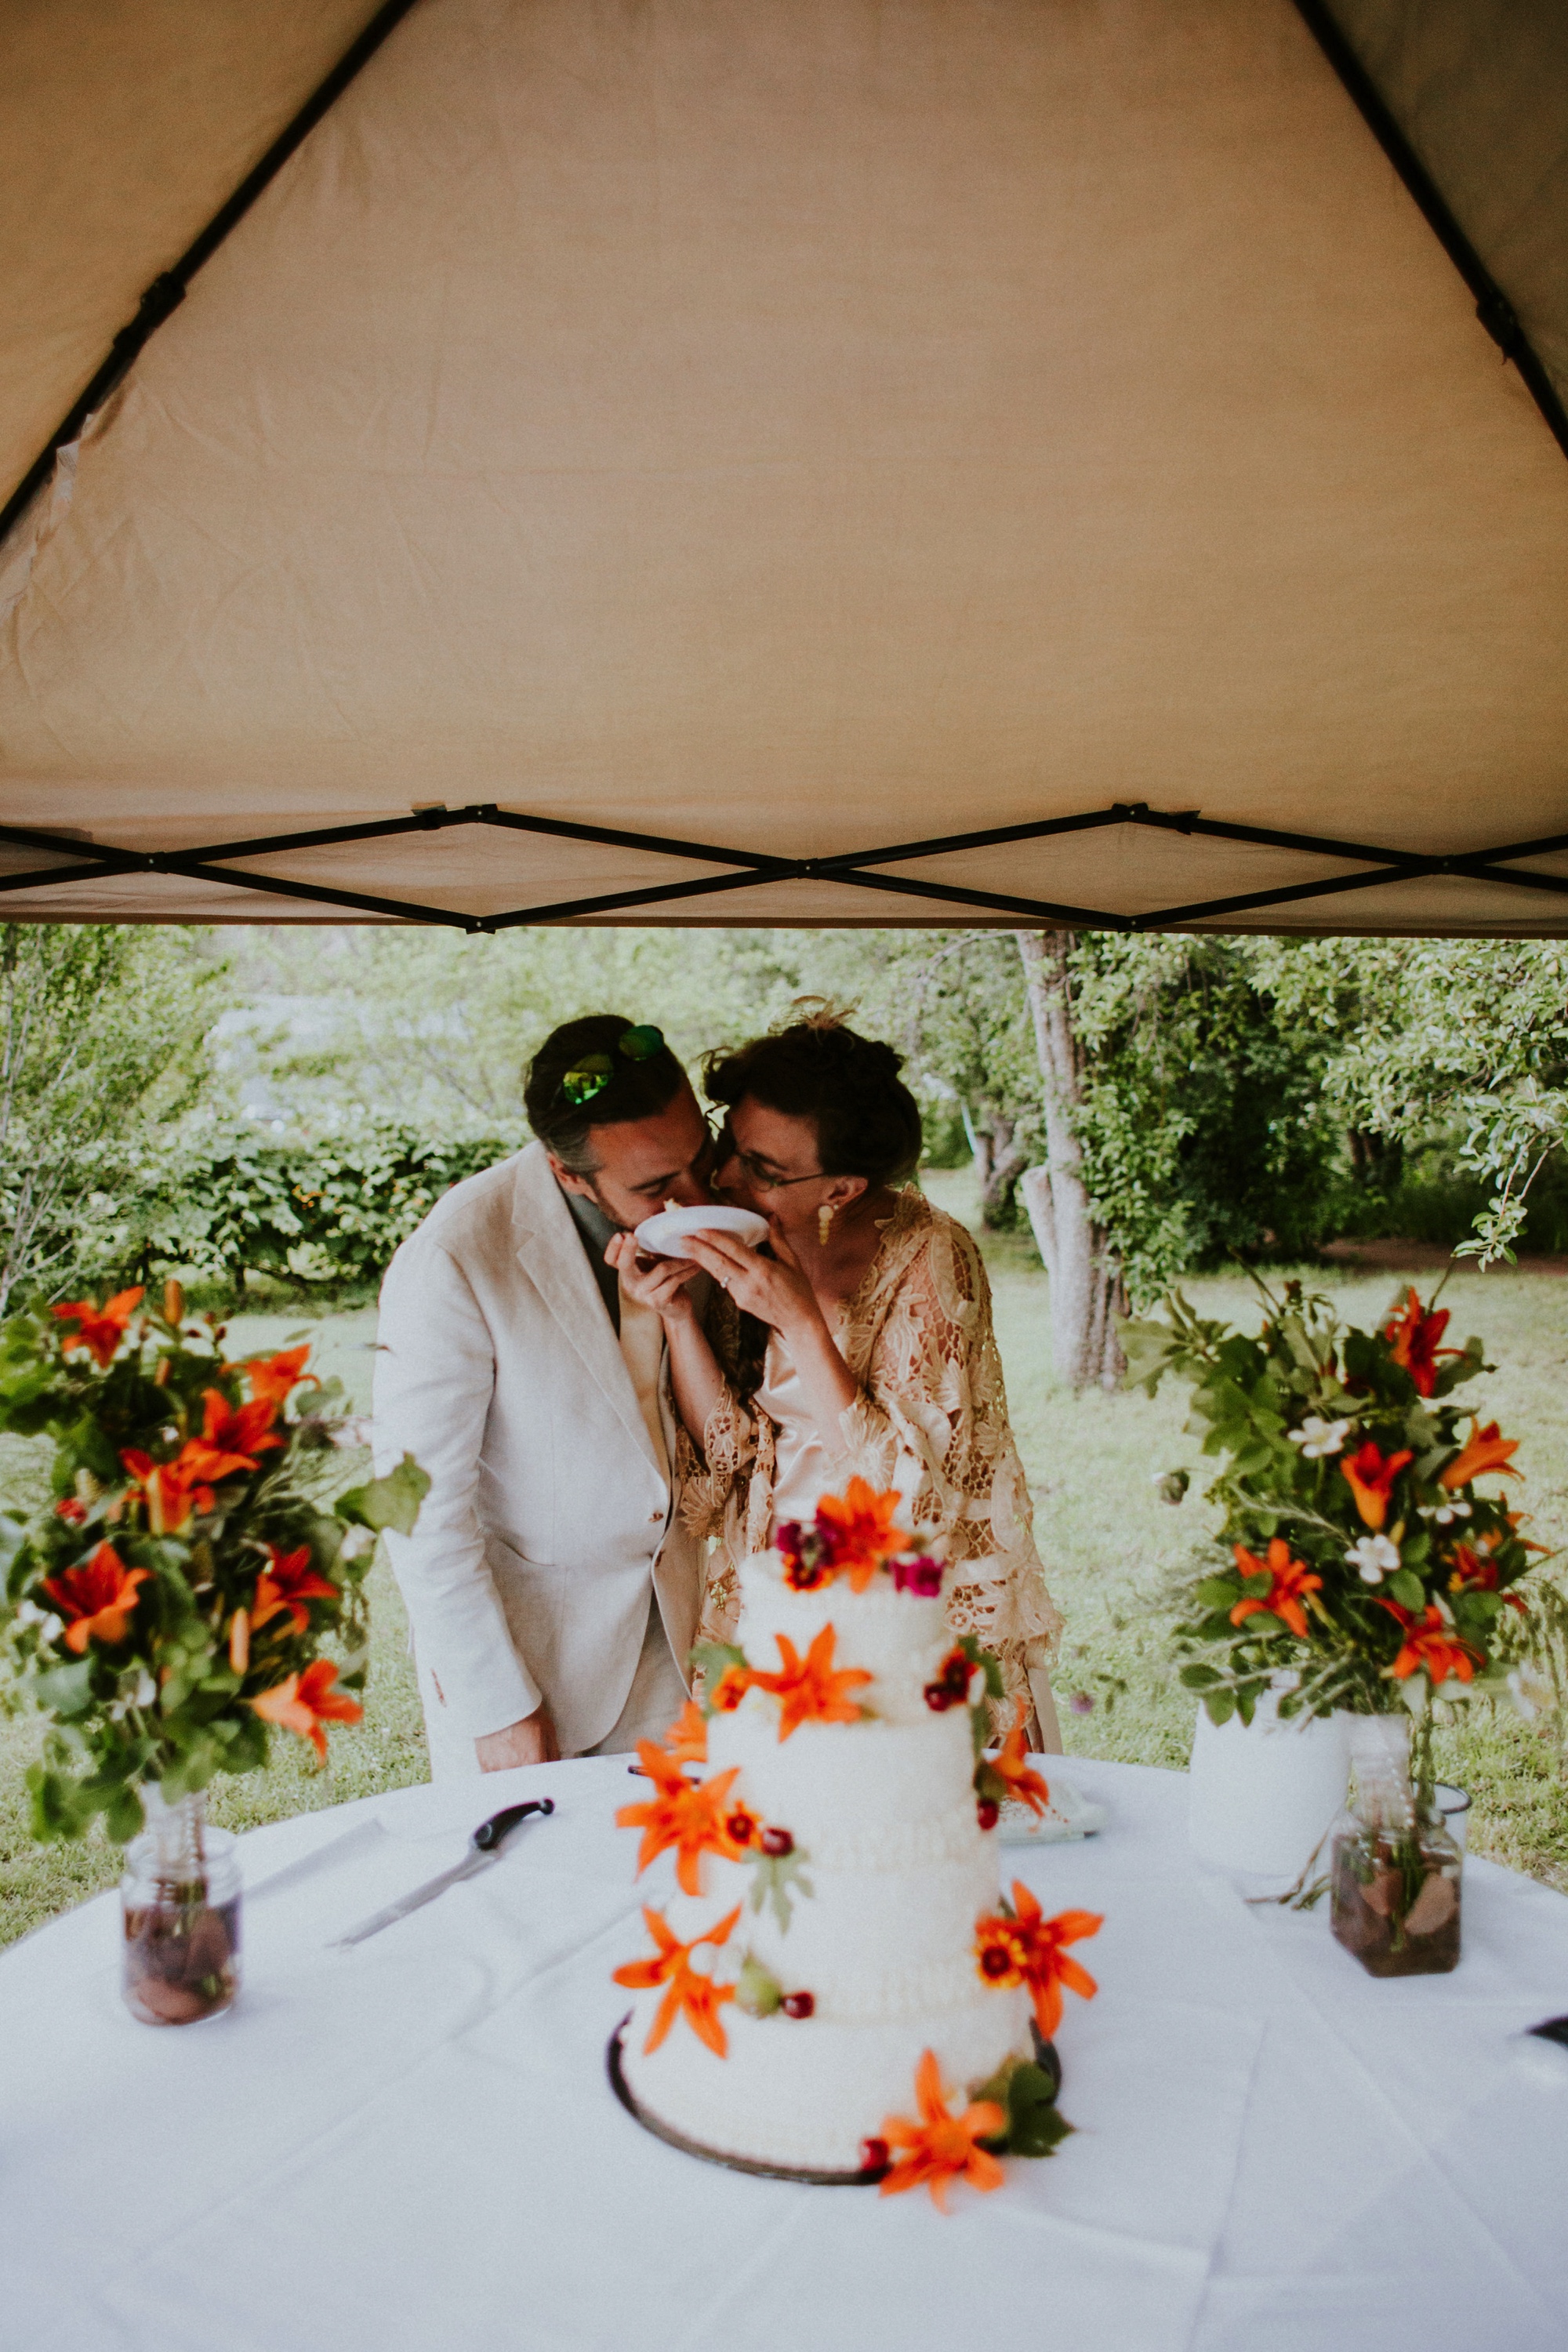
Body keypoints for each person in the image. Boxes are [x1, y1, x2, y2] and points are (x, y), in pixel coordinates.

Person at [608, 1004, 1063, 1748]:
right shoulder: (743, 1234)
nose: (721, 1177)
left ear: (842, 1189)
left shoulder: (931, 1258)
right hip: (773, 1588)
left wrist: (800, 1324)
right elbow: (730, 1460)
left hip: (898, 1597)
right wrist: (681, 1321)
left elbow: (915, 1504)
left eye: (763, 1170)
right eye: (732, 1146)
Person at [372, 1015, 716, 1779]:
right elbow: (418, 1509)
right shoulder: (456, 1256)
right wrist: (497, 1706)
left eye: (702, 1159)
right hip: (537, 1665)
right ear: (569, 1174)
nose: (694, 1199)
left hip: (679, 1640)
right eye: (658, 1188)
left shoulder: (704, 1212)